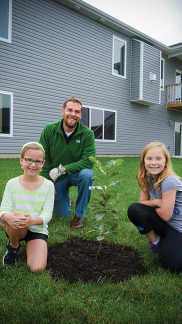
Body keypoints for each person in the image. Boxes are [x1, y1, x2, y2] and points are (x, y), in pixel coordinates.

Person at [39, 97, 96, 229]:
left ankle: (79, 215)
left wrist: (64, 169)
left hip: (77, 175)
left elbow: (88, 161)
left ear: (80, 115)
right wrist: (48, 183)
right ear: (63, 111)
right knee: (62, 214)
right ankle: (67, 201)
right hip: (56, 178)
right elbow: (43, 158)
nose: (73, 114)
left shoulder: (87, 134)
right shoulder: (49, 130)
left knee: (88, 174)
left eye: (77, 112)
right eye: (69, 110)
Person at [127, 141, 182, 272]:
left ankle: (171, 242)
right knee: (134, 210)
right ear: (143, 161)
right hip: (164, 221)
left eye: (158, 158)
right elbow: (142, 204)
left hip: (178, 226)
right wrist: (157, 202)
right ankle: (157, 243)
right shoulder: (146, 178)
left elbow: (165, 215)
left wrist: (157, 206)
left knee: (173, 266)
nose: (153, 163)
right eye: (149, 158)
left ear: (165, 162)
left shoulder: (169, 180)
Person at [0, 142, 54, 272]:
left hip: (36, 228)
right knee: (16, 216)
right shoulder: (12, 184)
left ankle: (32, 244)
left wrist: (30, 221)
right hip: (16, 227)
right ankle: (13, 246)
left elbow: (47, 215)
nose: (33, 165)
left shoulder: (48, 186)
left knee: (37, 268)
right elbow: (3, 210)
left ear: (43, 164)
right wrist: (8, 217)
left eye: (38, 161)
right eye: (28, 160)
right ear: (21, 161)